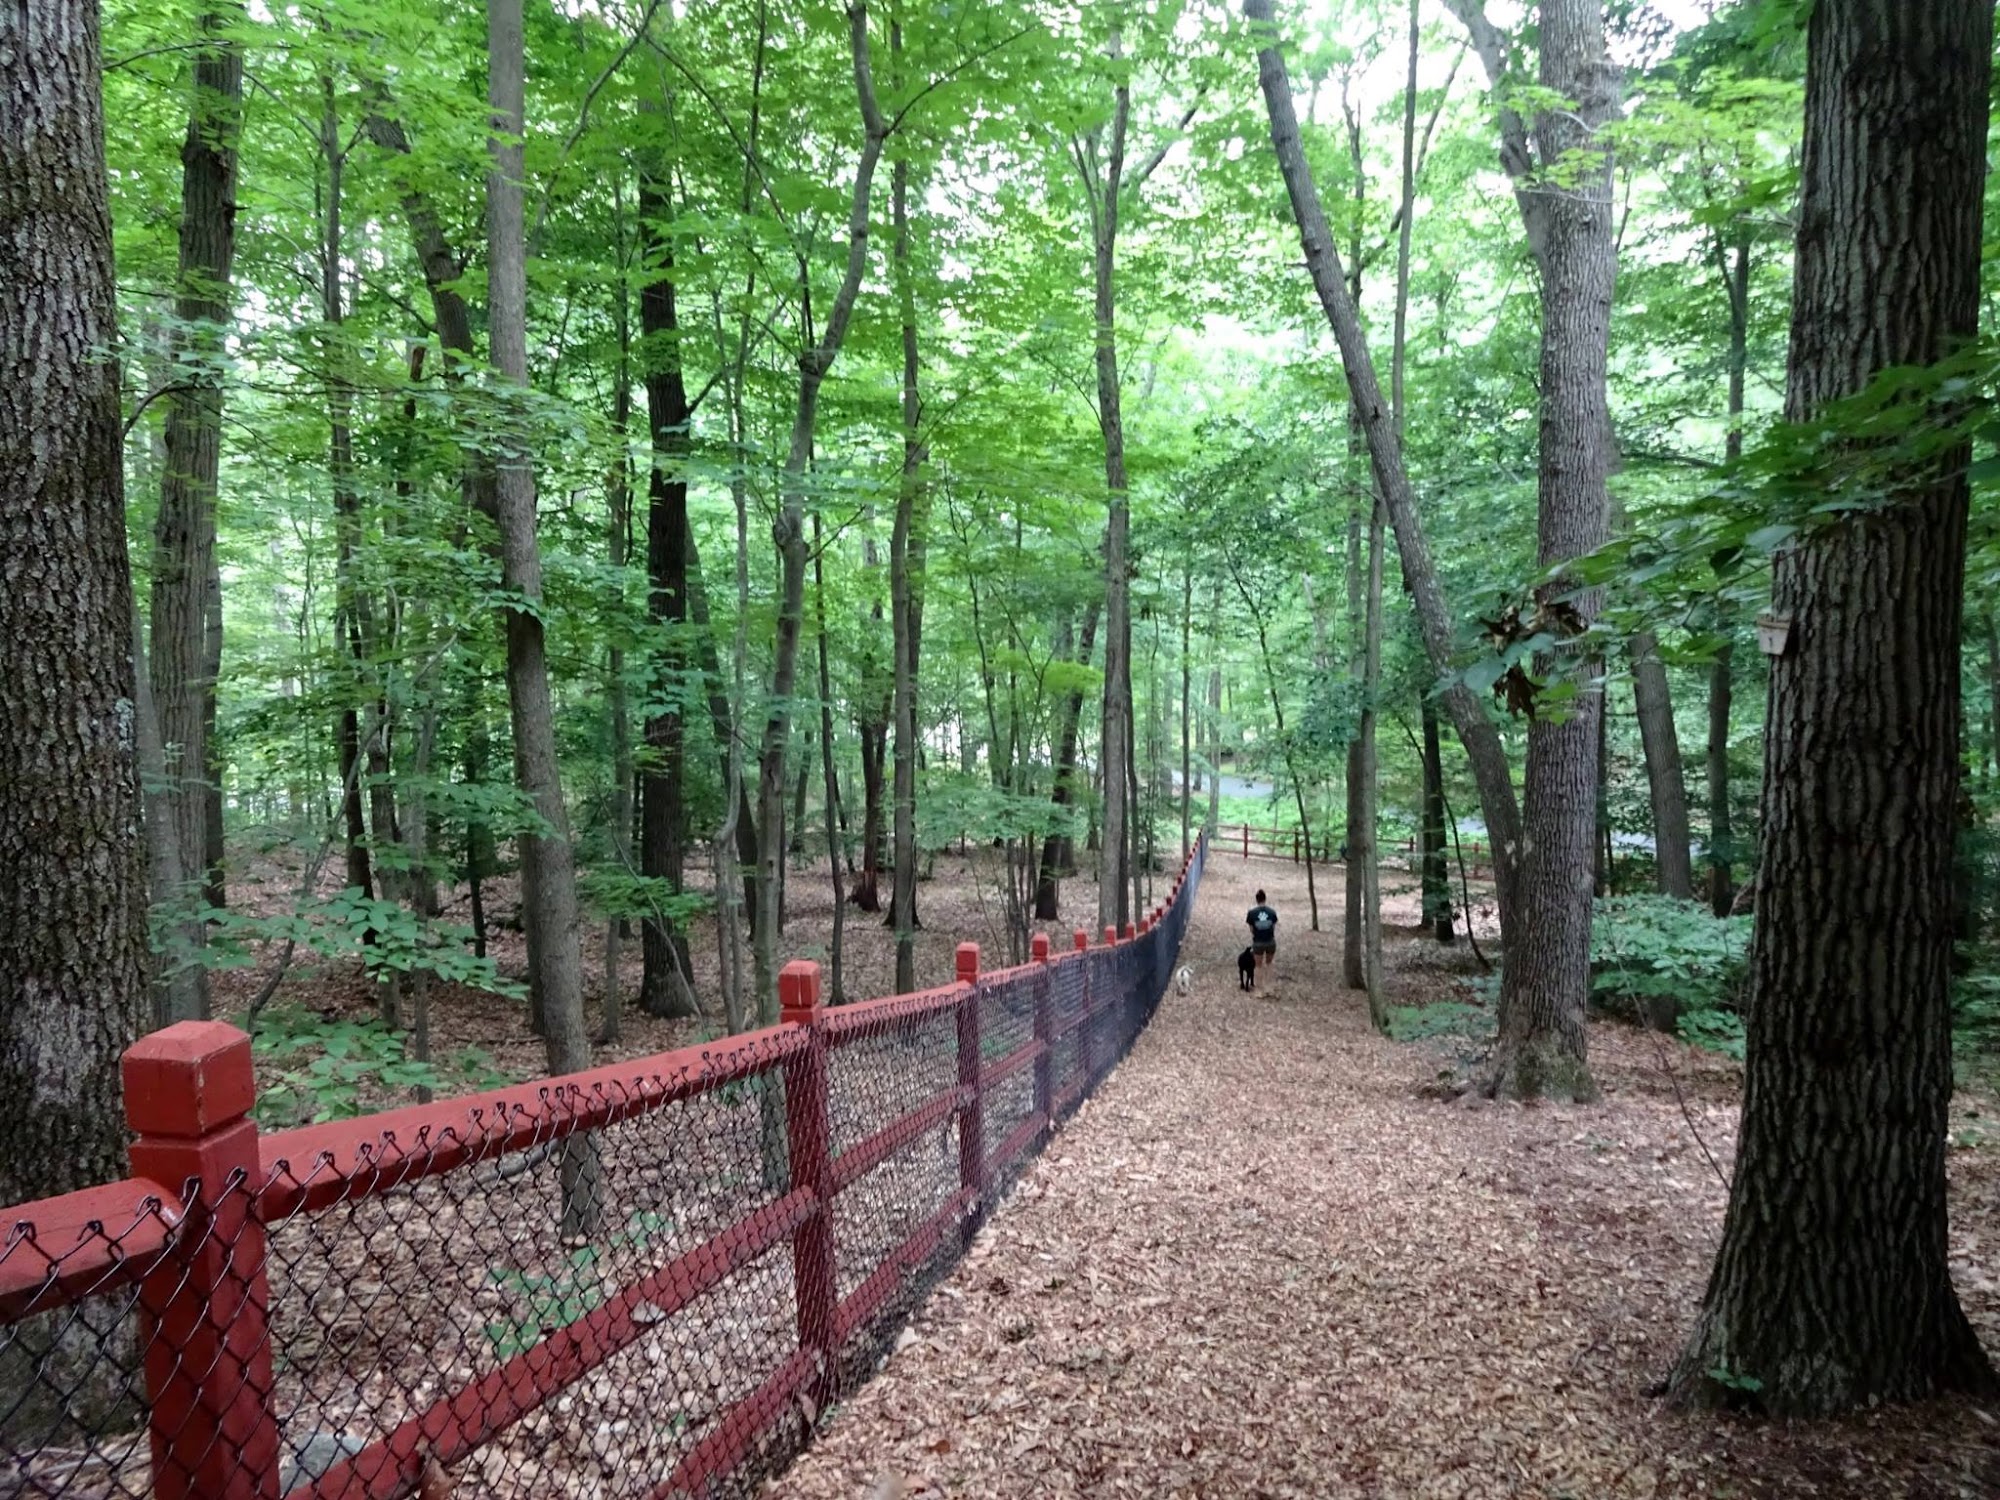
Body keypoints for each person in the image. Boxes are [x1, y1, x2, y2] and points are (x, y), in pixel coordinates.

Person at [1246, 889, 1278, 971]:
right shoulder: (1272, 912)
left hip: (1258, 942)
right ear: (1265, 899)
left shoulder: (1251, 913)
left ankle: (1260, 979)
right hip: (1270, 941)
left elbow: (1252, 930)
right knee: (1269, 964)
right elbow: (1273, 927)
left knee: (1258, 966)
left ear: (1256, 899)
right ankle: (1269, 978)